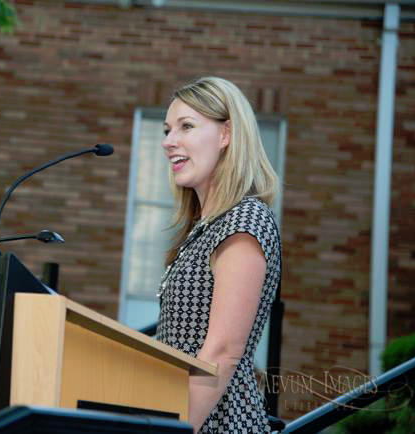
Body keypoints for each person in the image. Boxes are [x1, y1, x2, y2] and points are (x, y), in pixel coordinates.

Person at [155, 77, 281, 433]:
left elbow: (224, 350)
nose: (169, 142)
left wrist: (175, 429)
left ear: (226, 135)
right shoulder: (205, 225)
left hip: (219, 423)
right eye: (167, 130)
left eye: (187, 127)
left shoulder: (244, 220)